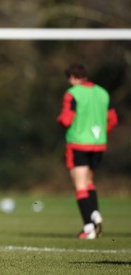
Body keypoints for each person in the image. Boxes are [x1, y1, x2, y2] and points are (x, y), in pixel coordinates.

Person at [57, 63, 118, 240]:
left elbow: (67, 120)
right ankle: (94, 212)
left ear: (73, 77)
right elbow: (112, 119)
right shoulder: (103, 92)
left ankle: (89, 226)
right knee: (89, 181)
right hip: (98, 144)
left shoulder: (72, 94)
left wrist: (60, 119)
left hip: (78, 143)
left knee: (80, 185)